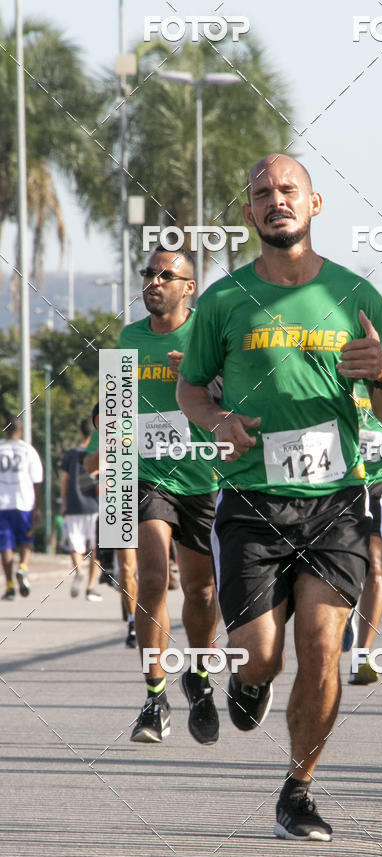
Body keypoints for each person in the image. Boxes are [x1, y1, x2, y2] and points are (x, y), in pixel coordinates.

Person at [177, 154, 382, 841]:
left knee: (321, 645)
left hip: (336, 499)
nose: (275, 200)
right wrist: (218, 422)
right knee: (260, 655)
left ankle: (298, 789)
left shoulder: (356, 295)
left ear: (314, 204)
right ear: (249, 214)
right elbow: (193, 386)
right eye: (261, 194)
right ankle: (250, 682)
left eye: (287, 190)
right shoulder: (222, 300)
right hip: (251, 501)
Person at [119, 245, 221, 745]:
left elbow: (242, 394)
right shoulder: (129, 338)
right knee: (153, 575)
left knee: (202, 591)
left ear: (189, 288)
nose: (154, 282)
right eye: (148, 274)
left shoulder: (208, 333)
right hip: (148, 476)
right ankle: (154, 696)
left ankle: (199, 677)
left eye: (166, 275)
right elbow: (113, 406)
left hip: (204, 478)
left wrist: (204, 376)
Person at [341, 386, 382, 684]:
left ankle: (362, 656)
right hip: (338, 485)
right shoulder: (328, 372)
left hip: (380, 482)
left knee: (375, 566)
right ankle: (343, 616)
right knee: (341, 566)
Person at [86, 402, 138, 647]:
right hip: (119, 502)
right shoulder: (103, 433)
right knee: (127, 569)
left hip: (153, 498)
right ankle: (133, 621)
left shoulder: (144, 423)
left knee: (152, 574)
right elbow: (88, 466)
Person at [0, 418, 43, 601]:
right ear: (21, 430)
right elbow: (37, 481)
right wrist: (38, 507)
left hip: (2, 504)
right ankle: (23, 568)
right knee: (26, 541)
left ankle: (9, 586)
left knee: (5, 546)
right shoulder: (28, 450)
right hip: (24, 503)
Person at [60, 418, 102, 602]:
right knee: (96, 548)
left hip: (74, 504)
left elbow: (65, 480)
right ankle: (91, 588)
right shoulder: (97, 453)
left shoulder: (70, 454)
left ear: (79, 432)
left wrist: (64, 504)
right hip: (95, 505)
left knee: (75, 545)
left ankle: (79, 571)